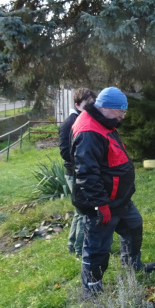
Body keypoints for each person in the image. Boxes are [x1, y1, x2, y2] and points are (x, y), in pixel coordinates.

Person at [71, 87, 155, 298]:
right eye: (120, 111)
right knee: (98, 247)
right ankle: (91, 289)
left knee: (134, 227)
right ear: (106, 107)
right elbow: (87, 173)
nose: (122, 116)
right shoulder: (89, 131)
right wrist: (101, 205)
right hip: (101, 203)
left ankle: (132, 264)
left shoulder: (104, 122)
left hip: (119, 199)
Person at [58, 87, 96, 258]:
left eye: (92, 103)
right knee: (84, 212)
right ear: (77, 104)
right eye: (87, 104)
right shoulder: (70, 123)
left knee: (79, 212)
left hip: (77, 172)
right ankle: (80, 251)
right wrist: (83, 163)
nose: (91, 107)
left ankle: (72, 245)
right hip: (75, 173)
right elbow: (65, 152)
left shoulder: (80, 119)